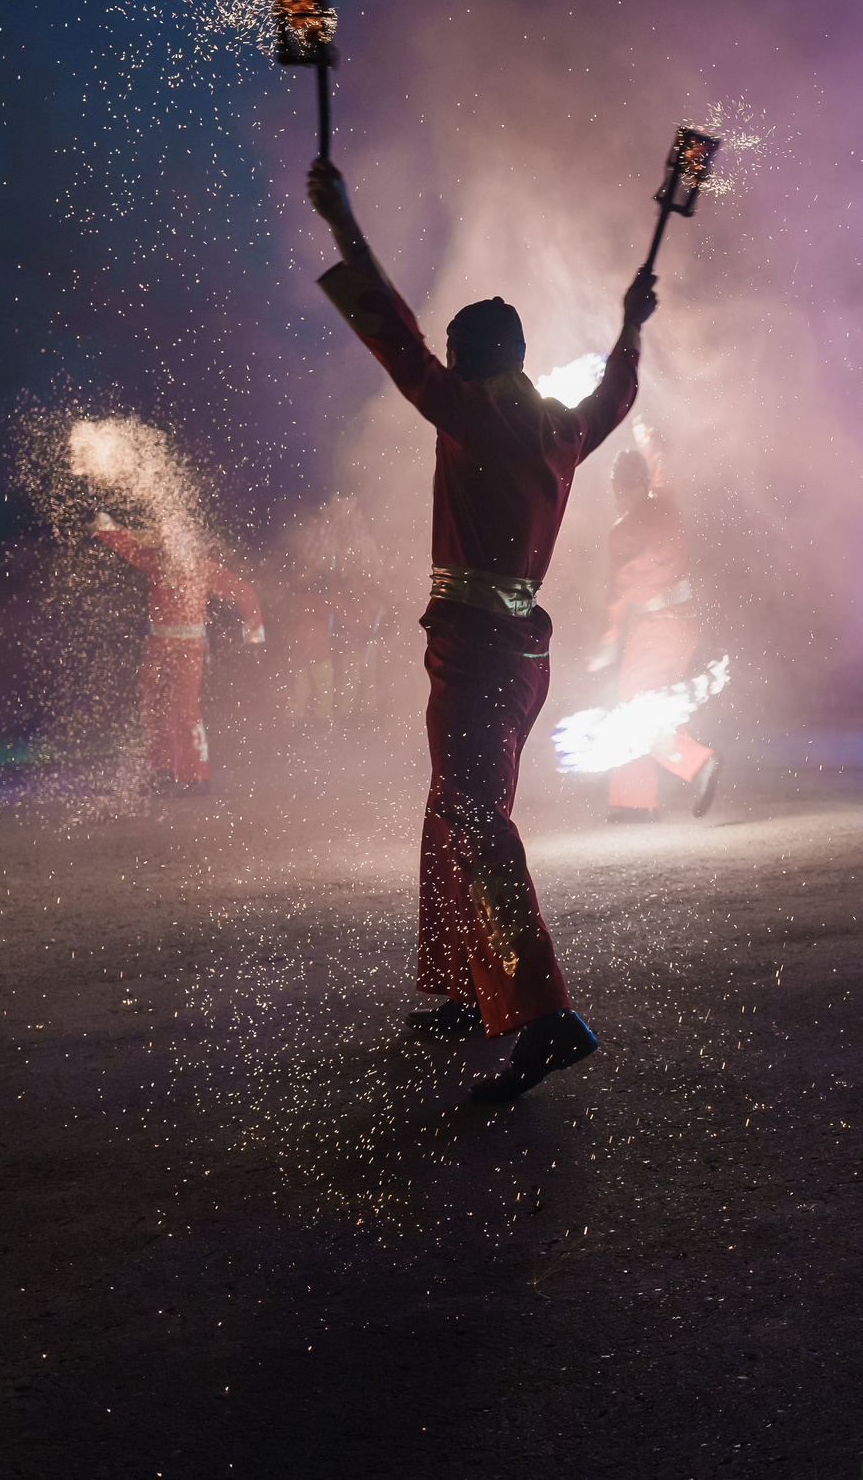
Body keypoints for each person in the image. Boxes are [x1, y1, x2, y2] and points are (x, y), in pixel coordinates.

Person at [305, 152, 654, 1103]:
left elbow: (395, 339)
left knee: (471, 816)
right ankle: (464, 987)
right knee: (451, 808)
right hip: (514, 647)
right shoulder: (559, 430)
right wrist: (630, 323)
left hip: (474, 649)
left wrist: (343, 224)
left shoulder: (467, 414)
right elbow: (617, 391)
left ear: (468, 362)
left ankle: (543, 1012)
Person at [591, 423, 720, 821]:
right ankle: (633, 801)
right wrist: (647, 437)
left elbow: (617, 597)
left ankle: (697, 763)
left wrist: (607, 644)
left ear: (620, 487)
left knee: (638, 707)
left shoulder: (622, 532)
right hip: (681, 621)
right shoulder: (665, 499)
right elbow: (661, 465)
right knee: (633, 700)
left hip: (657, 628)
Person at [95, 511, 263, 792]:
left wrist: (254, 636)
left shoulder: (203, 569)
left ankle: (195, 776)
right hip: (156, 648)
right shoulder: (155, 563)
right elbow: (127, 546)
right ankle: (161, 772)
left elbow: (243, 592)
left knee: (185, 710)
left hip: (189, 650)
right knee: (155, 710)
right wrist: (104, 525)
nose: (169, 544)